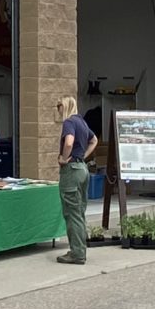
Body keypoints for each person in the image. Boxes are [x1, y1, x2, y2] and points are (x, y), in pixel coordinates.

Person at [55, 96, 97, 265]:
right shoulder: (82, 122)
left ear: (64, 106)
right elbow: (94, 140)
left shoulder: (69, 122)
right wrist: (83, 156)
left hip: (71, 170)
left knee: (72, 213)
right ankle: (79, 249)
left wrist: (64, 158)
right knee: (79, 212)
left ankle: (77, 253)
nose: (57, 109)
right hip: (82, 169)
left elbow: (68, 143)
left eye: (58, 105)